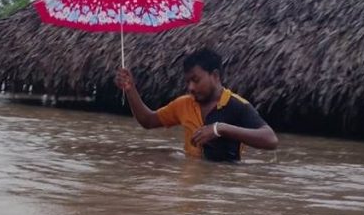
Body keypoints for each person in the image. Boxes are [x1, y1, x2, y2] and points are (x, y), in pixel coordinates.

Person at [115, 47, 278, 162]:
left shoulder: (237, 106)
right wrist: (130, 89)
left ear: (215, 75)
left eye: (196, 80)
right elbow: (148, 121)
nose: (191, 87)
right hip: (191, 184)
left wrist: (220, 129)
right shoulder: (183, 104)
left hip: (223, 186)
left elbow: (270, 139)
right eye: (187, 82)